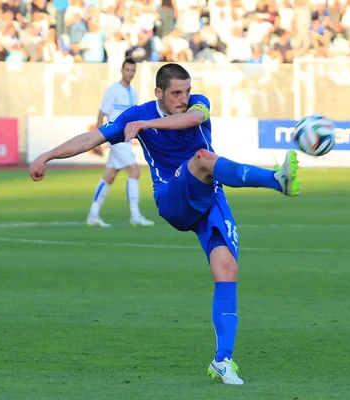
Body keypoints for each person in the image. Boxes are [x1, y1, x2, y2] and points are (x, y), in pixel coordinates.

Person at [28, 63, 301, 385]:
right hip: (173, 198)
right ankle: (276, 180)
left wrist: (145, 124)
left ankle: (223, 361)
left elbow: (194, 118)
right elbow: (92, 137)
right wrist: (47, 154)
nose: (183, 98)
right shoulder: (137, 113)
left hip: (210, 199)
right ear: (159, 92)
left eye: (186, 91)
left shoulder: (194, 104)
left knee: (226, 271)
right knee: (202, 158)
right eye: (176, 93)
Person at [87, 58, 155, 228]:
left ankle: (93, 214)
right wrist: (97, 138)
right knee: (134, 171)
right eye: (127, 70)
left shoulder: (133, 92)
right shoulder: (113, 90)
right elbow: (102, 113)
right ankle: (135, 214)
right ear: (122, 70)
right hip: (115, 138)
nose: (130, 73)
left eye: (133, 70)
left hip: (125, 139)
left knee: (109, 175)